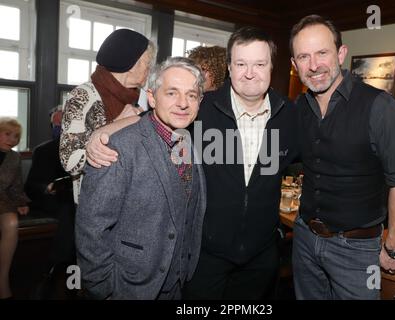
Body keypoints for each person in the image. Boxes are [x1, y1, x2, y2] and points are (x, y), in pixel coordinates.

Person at [85, 27, 301, 299]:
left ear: (272, 66)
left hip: (260, 259)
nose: (250, 72)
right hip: (204, 256)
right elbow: (155, 117)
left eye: (259, 64)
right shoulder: (201, 108)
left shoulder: (291, 114)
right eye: (241, 64)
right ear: (229, 68)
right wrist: (103, 132)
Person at [289, 15, 395, 299]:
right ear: (295, 65)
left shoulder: (381, 108)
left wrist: (394, 248)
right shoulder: (299, 108)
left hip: (357, 252)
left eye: (322, 53)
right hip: (305, 240)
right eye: (304, 57)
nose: (314, 65)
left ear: (341, 54)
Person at [75, 57, 207, 300]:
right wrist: (104, 288)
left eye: (191, 95)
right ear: (152, 97)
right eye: (171, 93)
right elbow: (91, 228)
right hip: (128, 288)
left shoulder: (189, 142)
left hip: (176, 285)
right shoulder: (117, 147)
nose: (183, 103)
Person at [59, 29, 157, 204]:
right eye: (147, 63)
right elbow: (70, 161)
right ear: (131, 63)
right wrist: (117, 124)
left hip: (131, 202)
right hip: (96, 205)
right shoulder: (83, 95)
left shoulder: (139, 98)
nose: (149, 70)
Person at [25, 106, 76, 298]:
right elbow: (30, 186)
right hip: (50, 201)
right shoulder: (43, 150)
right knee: (69, 210)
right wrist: (47, 188)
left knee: (75, 209)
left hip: (75, 200)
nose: (59, 127)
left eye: (63, 123)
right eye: (56, 123)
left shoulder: (82, 149)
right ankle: (55, 268)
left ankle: (59, 272)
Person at [0, 117, 29, 299]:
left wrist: (21, 202)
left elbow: (17, 185)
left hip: (2, 200)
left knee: (11, 222)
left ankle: (2, 280)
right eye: (7, 134)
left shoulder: (15, 157)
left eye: (16, 136)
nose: (12, 139)